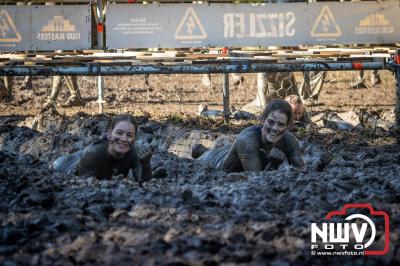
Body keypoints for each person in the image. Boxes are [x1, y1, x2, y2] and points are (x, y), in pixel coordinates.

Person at [193, 98, 304, 172]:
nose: (274, 128)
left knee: (232, 150)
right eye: (271, 122)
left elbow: (301, 174)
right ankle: (202, 152)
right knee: (223, 152)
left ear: (287, 127)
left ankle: (203, 150)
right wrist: (273, 165)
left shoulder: (290, 141)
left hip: (238, 153)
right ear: (263, 121)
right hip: (214, 164)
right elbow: (254, 181)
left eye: (280, 124)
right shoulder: (247, 139)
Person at [52, 114, 153, 181]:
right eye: (119, 133)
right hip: (66, 167)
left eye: (129, 135)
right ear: (109, 133)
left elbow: (143, 183)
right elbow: (84, 187)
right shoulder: (93, 153)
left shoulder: (133, 152)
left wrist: (146, 165)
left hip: (95, 155)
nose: (124, 139)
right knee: (56, 166)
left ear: (134, 138)